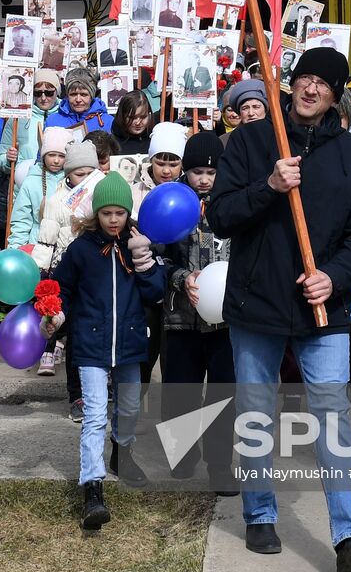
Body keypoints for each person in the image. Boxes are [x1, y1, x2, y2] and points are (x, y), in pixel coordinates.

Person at [208, 47, 351, 572]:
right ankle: (259, 512)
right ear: (290, 83)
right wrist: (270, 186)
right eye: (304, 79)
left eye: (323, 84)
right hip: (256, 302)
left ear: (337, 95)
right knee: (256, 411)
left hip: (321, 307)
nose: (310, 90)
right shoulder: (253, 141)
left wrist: (334, 275)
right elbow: (219, 215)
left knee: (333, 415)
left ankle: (348, 534)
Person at [44, 172, 166, 529]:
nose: (114, 220)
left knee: (128, 406)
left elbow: (155, 291)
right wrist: (58, 312)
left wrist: (143, 260)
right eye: (107, 213)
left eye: (120, 213)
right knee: (95, 414)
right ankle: (92, 489)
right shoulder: (82, 250)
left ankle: (122, 454)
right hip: (92, 344)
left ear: (129, 213)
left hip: (129, 342)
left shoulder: (138, 243)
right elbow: (63, 288)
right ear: (96, 213)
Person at [160, 131, 237, 495]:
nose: (204, 179)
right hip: (180, 320)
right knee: (180, 392)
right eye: (196, 172)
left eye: (211, 172)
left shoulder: (232, 207)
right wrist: (179, 278)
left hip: (224, 323)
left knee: (224, 394)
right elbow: (156, 261)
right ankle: (183, 453)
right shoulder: (170, 205)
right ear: (184, 172)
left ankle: (220, 465)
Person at [34, 140, 102, 386]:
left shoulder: (102, 196)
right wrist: (42, 272)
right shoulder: (56, 201)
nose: (84, 179)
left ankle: (104, 382)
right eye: (78, 174)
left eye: (89, 173)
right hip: (68, 268)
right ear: (68, 174)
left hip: (98, 270)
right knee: (73, 329)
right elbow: (46, 238)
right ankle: (76, 390)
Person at [136, 121, 187, 386]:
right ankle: (131, 418)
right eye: (160, 162)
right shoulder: (136, 189)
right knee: (143, 355)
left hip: (179, 290)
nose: (166, 170)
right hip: (146, 287)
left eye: (173, 163)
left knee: (174, 361)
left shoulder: (189, 193)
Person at [0, 69, 60, 244]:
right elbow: (0, 156)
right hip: (23, 191)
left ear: (57, 91)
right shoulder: (19, 116)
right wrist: (9, 160)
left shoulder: (64, 114)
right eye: (38, 93)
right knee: (23, 240)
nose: (43, 98)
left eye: (49, 92)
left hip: (57, 190)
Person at [8, 126, 71, 248]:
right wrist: (16, 249)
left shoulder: (73, 180)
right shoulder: (31, 182)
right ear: (43, 155)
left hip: (66, 246)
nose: (56, 160)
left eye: (62, 156)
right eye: (52, 155)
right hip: (38, 245)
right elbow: (21, 220)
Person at [44, 67, 109, 134]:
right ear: (67, 95)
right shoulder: (53, 122)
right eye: (73, 94)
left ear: (91, 96)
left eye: (83, 95)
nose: (78, 99)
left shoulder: (107, 122)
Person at [110, 91, 155, 155]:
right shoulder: (111, 144)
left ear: (149, 115)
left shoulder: (156, 141)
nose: (138, 122)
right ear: (122, 116)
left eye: (143, 117)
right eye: (132, 118)